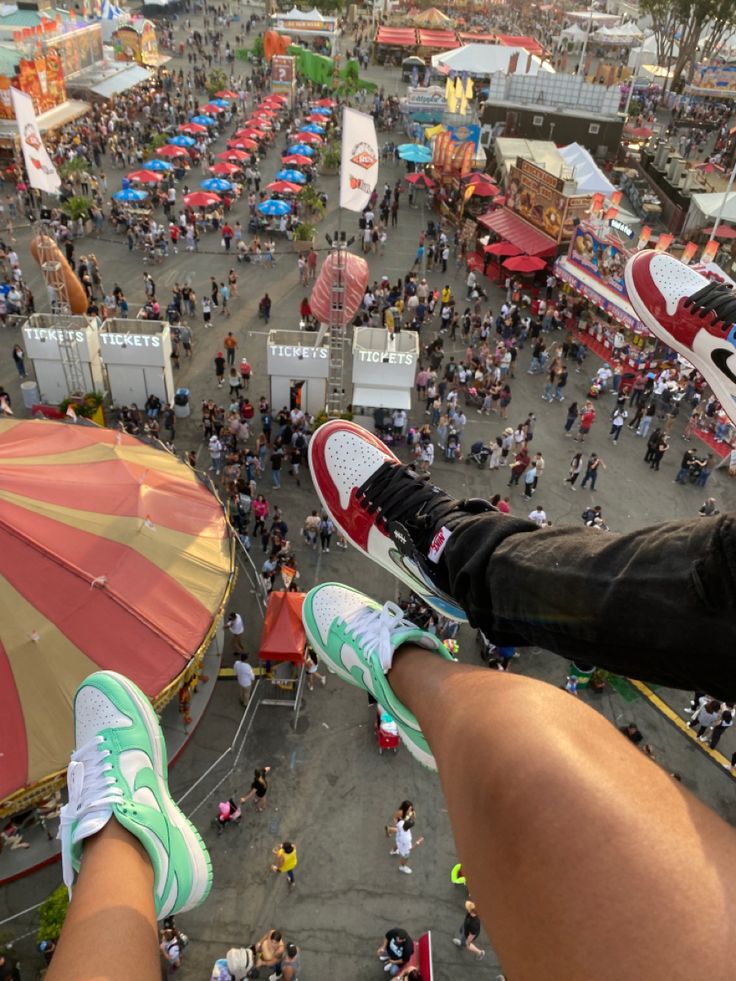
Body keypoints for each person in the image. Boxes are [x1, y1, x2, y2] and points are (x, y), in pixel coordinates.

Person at [386, 800, 423, 874]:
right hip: (404, 849)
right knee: (405, 858)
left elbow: (400, 823)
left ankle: (393, 851)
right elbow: (410, 848)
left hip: (399, 839)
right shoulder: (407, 838)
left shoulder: (401, 823)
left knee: (398, 844)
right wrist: (418, 841)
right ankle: (402, 867)